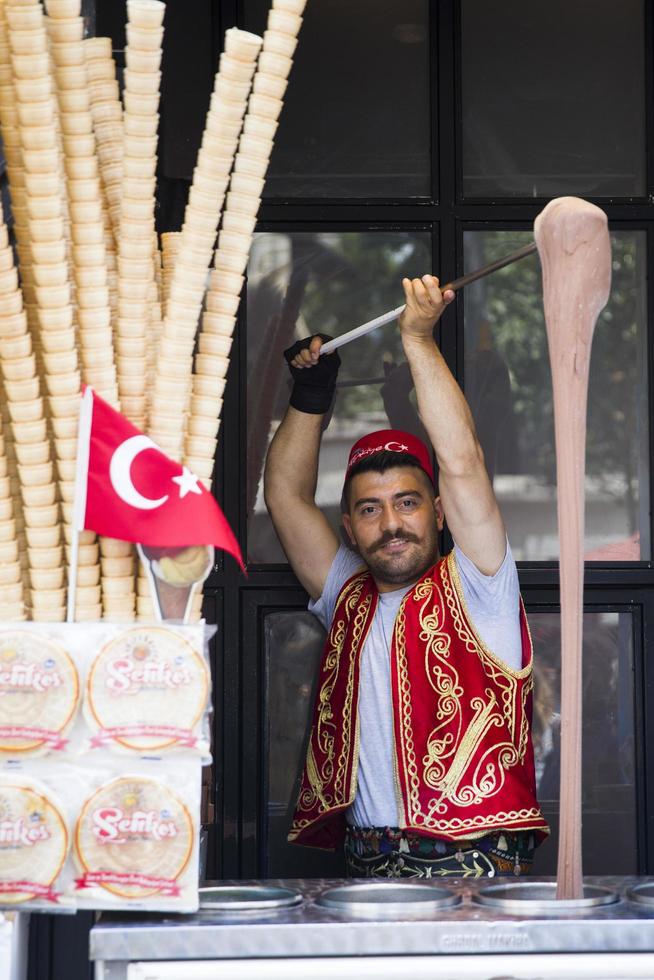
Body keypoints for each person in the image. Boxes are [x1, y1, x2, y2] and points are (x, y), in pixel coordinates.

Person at [264, 274, 548, 879]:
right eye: (370, 509)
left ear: (439, 511)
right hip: (367, 861)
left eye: (408, 502)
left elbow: (463, 461)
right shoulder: (347, 592)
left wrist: (419, 340)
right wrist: (311, 394)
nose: (391, 523)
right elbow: (286, 497)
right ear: (350, 525)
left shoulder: (479, 581)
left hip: (475, 865)